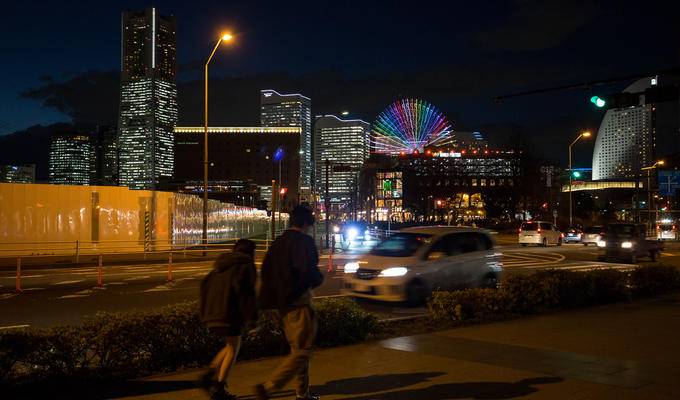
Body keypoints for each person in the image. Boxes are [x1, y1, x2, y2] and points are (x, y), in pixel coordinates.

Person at [254, 205, 324, 400]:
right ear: (304, 223)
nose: (310, 228)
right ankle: (269, 386)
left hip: (282, 305)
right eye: (309, 224)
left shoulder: (277, 243)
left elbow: (266, 272)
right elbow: (308, 271)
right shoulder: (304, 242)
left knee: (297, 350)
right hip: (299, 302)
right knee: (305, 351)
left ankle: (302, 394)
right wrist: (318, 279)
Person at [199, 239, 257, 400]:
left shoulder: (219, 267)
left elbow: (204, 287)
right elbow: (246, 295)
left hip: (212, 314)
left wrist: (204, 313)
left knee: (230, 344)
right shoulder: (245, 266)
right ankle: (218, 388)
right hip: (229, 314)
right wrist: (252, 319)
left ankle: (210, 374)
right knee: (233, 348)